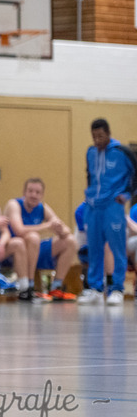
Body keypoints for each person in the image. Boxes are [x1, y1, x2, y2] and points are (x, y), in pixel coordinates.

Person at [78, 119, 136, 305]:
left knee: (117, 249)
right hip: (93, 207)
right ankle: (95, 289)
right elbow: (90, 175)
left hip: (113, 207)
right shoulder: (91, 152)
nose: (97, 140)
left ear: (108, 133)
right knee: (94, 249)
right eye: (94, 137)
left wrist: (127, 194)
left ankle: (117, 289)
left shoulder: (123, 152)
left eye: (100, 136)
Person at [5, 178, 78, 302]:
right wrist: (47, 226)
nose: (34, 195)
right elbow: (19, 230)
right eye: (30, 191)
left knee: (70, 241)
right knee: (32, 237)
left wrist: (60, 229)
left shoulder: (43, 208)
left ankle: (56, 287)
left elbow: (65, 229)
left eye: (37, 192)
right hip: (13, 250)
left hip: (34, 250)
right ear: (24, 193)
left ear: (42, 195)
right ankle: (29, 286)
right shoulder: (14, 204)